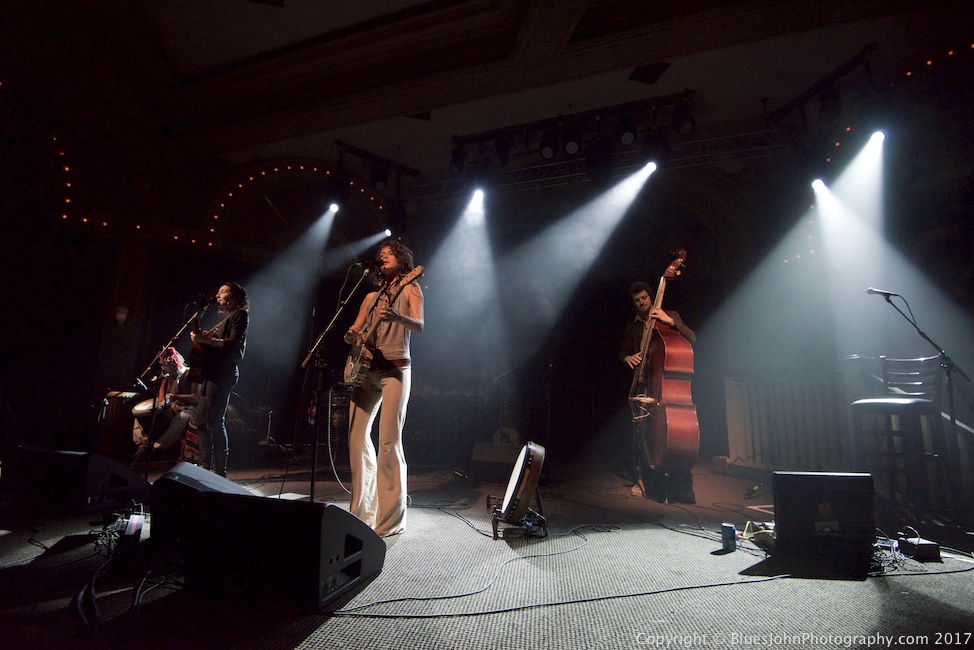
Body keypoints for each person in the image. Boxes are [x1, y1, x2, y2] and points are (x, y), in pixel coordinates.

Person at [343, 240, 424, 537]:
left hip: (396, 370)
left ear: (401, 260)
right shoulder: (370, 297)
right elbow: (355, 332)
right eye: (381, 255)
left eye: (389, 254)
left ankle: (390, 519)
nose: (383, 258)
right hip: (365, 370)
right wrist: (352, 335)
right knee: (355, 439)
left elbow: (420, 324)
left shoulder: (411, 288)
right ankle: (362, 510)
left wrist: (396, 317)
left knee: (388, 442)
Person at [619, 281, 697, 504]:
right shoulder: (633, 326)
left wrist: (670, 322)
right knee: (641, 435)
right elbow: (623, 350)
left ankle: (680, 483)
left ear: (651, 297)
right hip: (643, 385)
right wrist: (627, 358)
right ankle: (646, 480)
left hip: (666, 387)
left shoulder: (670, 314)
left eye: (644, 298)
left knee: (673, 434)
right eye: (637, 300)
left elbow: (691, 338)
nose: (641, 302)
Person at [191, 282, 249, 477]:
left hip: (224, 373)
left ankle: (217, 470)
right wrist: (200, 320)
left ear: (234, 297)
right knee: (201, 420)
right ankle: (205, 466)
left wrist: (206, 341)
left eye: (223, 292)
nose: (218, 295)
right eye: (218, 291)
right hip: (213, 372)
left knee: (214, 421)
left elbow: (233, 344)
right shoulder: (225, 318)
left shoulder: (240, 314)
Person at [131, 347, 200, 459]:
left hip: (189, 408)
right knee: (141, 414)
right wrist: (164, 386)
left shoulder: (191, 374)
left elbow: (195, 398)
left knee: (181, 417)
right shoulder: (168, 377)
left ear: (175, 364)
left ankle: (157, 447)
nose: (167, 372)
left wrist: (174, 397)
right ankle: (143, 446)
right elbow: (161, 399)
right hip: (172, 407)